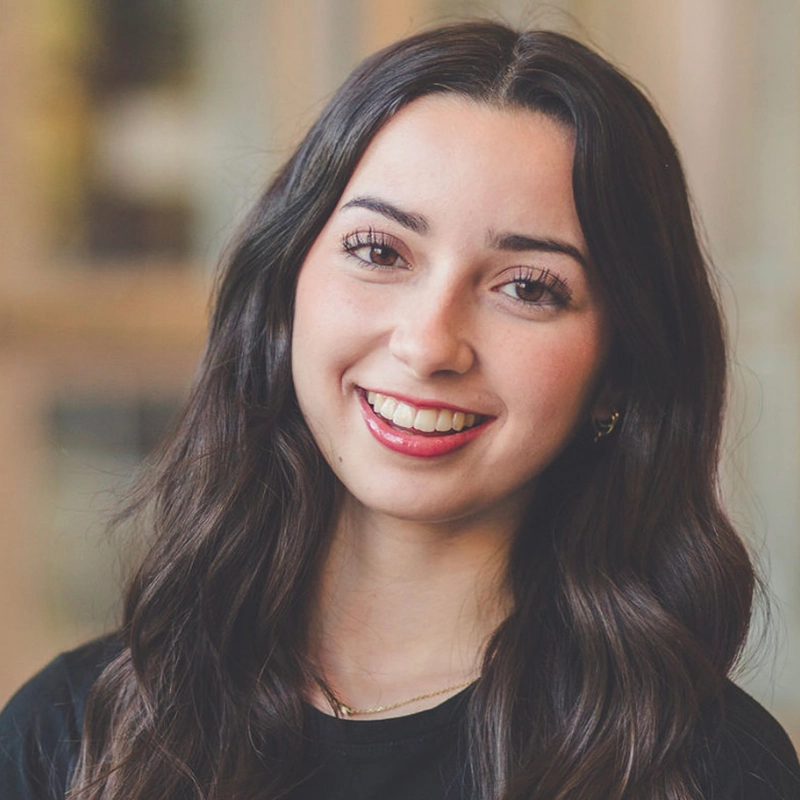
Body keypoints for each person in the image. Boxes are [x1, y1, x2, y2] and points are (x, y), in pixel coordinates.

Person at [1, 20, 799, 800]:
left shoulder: (708, 772)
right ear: (285, 288)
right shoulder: (70, 735)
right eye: (380, 252)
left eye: (527, 287)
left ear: (620, 371)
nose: (428, 344)